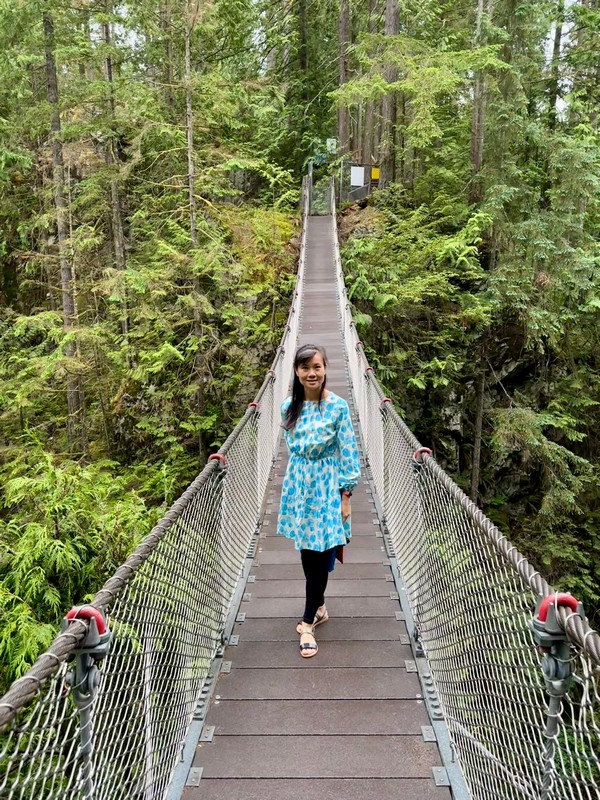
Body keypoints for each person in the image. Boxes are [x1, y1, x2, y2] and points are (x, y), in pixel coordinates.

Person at [277, 343, 361, 658]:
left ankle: (307, 623)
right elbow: (293, 447)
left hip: (327, 486)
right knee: (307, 549)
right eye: (305, 367)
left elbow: (349, 451)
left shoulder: (338, 407)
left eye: (317, 367)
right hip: (300, 485)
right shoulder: (288, 407)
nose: (312, 373)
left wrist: (346, 495)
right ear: (296, 372)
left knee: (319, 551)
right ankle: (320, 606)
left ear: (325, 369)